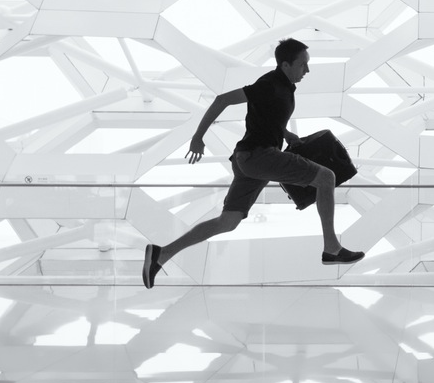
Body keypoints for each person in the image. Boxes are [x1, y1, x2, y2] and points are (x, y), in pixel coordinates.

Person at [141, 38, 363, 289]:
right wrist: (198, 137)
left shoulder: (286, 86)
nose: (307, 71)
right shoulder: (268, 84)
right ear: (286, 64)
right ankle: (332, 248)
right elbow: (222, 100)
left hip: (249, 159)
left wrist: (286, 134)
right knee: (326, 177)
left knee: (228, 222)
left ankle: (162, 254)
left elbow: (267, 119)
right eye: (303, 65)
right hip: (257, 157)